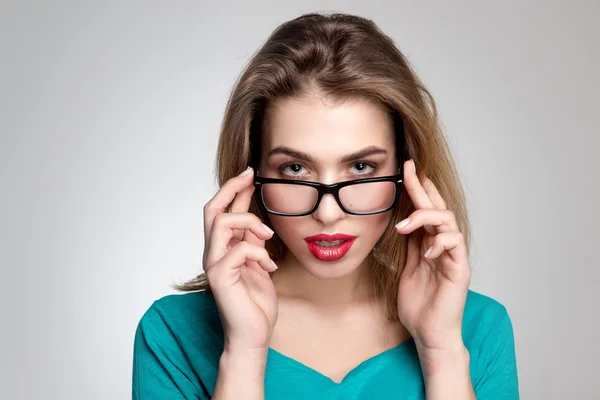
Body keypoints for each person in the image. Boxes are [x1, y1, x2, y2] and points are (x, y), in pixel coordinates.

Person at [132, 12, 519, 400]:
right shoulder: (173, 333)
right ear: (251, 175)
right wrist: (244, 354)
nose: (328, 213)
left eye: (362, 167)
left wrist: (443, 352)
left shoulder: (476, 329)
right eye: (296, 169)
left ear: (407, 172)